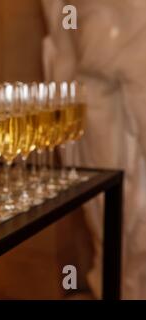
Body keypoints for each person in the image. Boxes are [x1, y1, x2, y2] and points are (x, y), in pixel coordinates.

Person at [42, 0, 146, 299]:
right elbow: (61, 27)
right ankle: (114, 284)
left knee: (138, 214)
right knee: (104, 209)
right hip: (91, 88)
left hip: (132, 82)